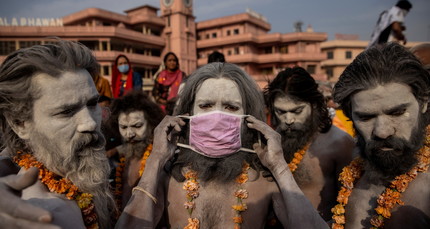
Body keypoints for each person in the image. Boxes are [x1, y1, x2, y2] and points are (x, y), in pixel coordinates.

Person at [116, 63, 328, 228]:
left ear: (249, 118)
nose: (217, 117)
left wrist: (280, 168)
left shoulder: (265, 181)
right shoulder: (167, 177)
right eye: (206, 105)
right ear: (187, 113)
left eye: (231, 107)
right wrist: (155, 160)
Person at [0, 39, 115, 228]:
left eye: (92, 104)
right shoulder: (46, 213)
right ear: (20, 124)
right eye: (66, 112)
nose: (90, 123)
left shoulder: (76, 173)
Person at [331, 42, 430, 228]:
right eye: (366, 117)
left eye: (397, 113)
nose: (382, 132)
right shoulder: (354, 175)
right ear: (350, 116)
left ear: (423, 102)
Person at [264, 67, 355, 221]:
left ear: (314, 105)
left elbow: (350, 208)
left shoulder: (339, 143)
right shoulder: (270, 141)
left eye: (297, 111)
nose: (288, 120)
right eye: (280, 112)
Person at [105, 90, 164, 212]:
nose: (129, 134)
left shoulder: (161, 159)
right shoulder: (124, 158)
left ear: (151, 124)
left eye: (137, 126)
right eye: (124, 127)